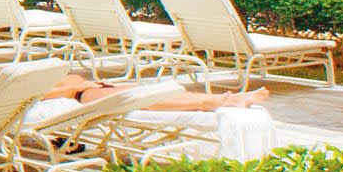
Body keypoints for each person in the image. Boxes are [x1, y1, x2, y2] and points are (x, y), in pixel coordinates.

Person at [39, 73, 270, 113]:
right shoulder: (12, 86)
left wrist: (90, 82)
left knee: (153, 92)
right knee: (145, 101)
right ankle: (218, 102)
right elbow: (40, 95)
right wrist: (79, 87)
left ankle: (226, 99)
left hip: (90, 88)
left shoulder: (8, 76)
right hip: (80, 97)